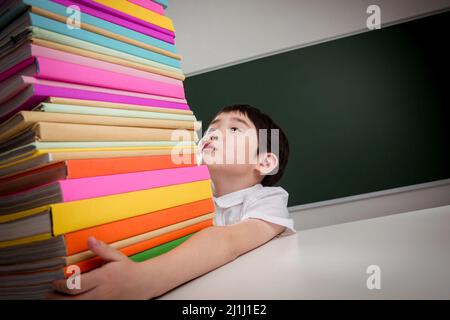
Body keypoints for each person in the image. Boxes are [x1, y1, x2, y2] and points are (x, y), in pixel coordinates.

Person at [50, 104, 296, 299]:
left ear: (264, 162)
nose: (213, 134)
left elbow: (228, 242)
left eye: (234, 129)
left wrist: (145, 279)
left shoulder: (267, 199)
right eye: (211, 128)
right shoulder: (189, 192)